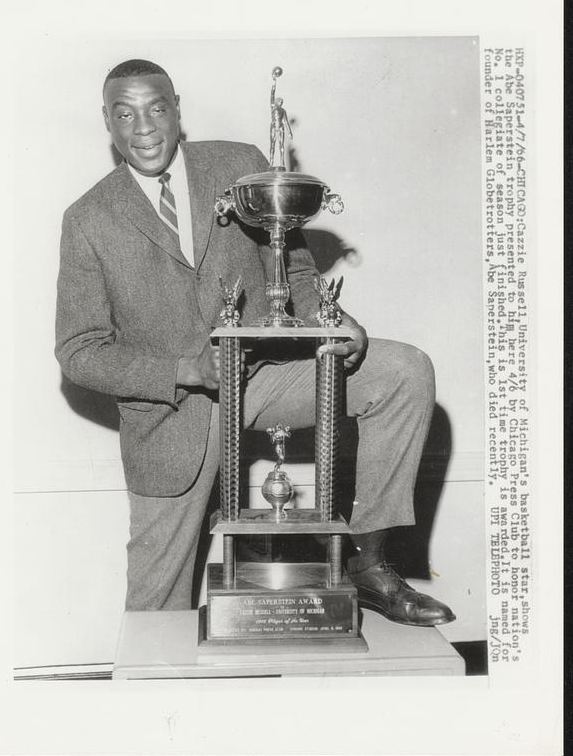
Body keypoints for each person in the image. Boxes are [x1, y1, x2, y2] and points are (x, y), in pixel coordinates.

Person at [55, 58, 455, 626]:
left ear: (177, 110)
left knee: (403, 370)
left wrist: (331, 317)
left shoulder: (240, 166)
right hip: (174, 418)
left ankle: (368, 563)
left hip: (266, 379)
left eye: (156, 109)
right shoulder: (88, 218)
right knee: (153, 614)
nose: (143, 127)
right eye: (125, 114)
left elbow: (290, 264)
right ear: (108, 123)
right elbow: (79, 350)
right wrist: (185, 369)